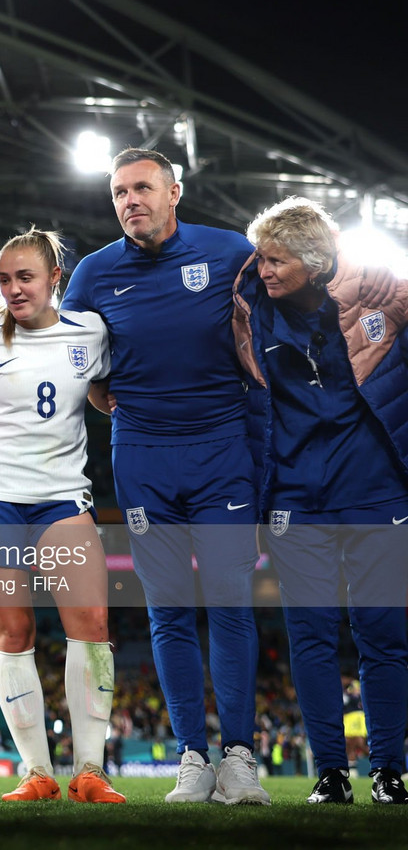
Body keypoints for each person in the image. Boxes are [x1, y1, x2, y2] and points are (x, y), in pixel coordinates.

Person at [59, 147, 269, 805]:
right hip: (142, 456)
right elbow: (76, 371)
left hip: (223, 452)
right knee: (168, 609)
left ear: (174, 192)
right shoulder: (92, 274)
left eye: (143, 188)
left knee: (231, 601)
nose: (130, 202)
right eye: (119, 192)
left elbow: (273, 332)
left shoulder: (231, 251)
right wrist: (109, 397)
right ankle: (193, 758)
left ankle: (239, 757)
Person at [232, 196, 408, 805]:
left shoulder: (377, 297)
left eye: (278, 260)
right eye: (261, 257)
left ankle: (389, 769)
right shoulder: (246, 307)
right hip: (294, 495)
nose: (265, 269)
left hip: (374, 488)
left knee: (383, 632)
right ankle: (330, 773)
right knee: (309, 633)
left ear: (315, 263)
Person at [0, 228, 123, 804]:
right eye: (4, 279)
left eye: (26, 277)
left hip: (61, 496)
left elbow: (102, 392)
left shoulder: (90, 332)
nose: (14, 289)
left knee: (92, 625)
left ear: (55, 279)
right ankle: (36, 772)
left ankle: (91, 770)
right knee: (11, 632)